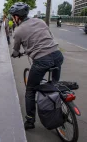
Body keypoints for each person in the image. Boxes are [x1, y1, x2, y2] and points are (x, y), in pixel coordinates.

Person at [9, 2, 64, 130]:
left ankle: (30, 121)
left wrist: (15, 54)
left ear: (17, 17)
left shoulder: (18, 31)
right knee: (55, 85)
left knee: (30, 90)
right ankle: (59, 106)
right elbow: (49, 36)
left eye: (13, 16)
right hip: (57, 55)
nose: (12, 18)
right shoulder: (40, 21)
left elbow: (16, 51)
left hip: (41, 61)